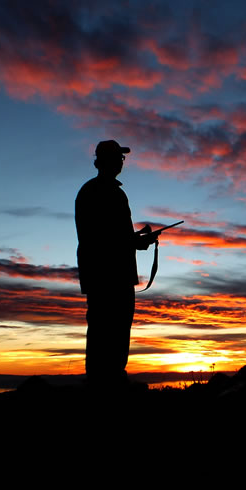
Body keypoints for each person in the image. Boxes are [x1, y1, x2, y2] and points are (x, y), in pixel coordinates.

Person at [75, 140, 156, 388]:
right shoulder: (103, 192)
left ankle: (108, 379)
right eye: (118, 157)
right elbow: (104, 237)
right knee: (109, 328)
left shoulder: (101, 190)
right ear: (106, 161)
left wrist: (135, 240)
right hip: (109, 274)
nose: (122, 162)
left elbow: (113, 236)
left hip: (106, 273)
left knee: (110, 328)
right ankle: (105, 383)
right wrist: (136, 241)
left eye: (122, 158)